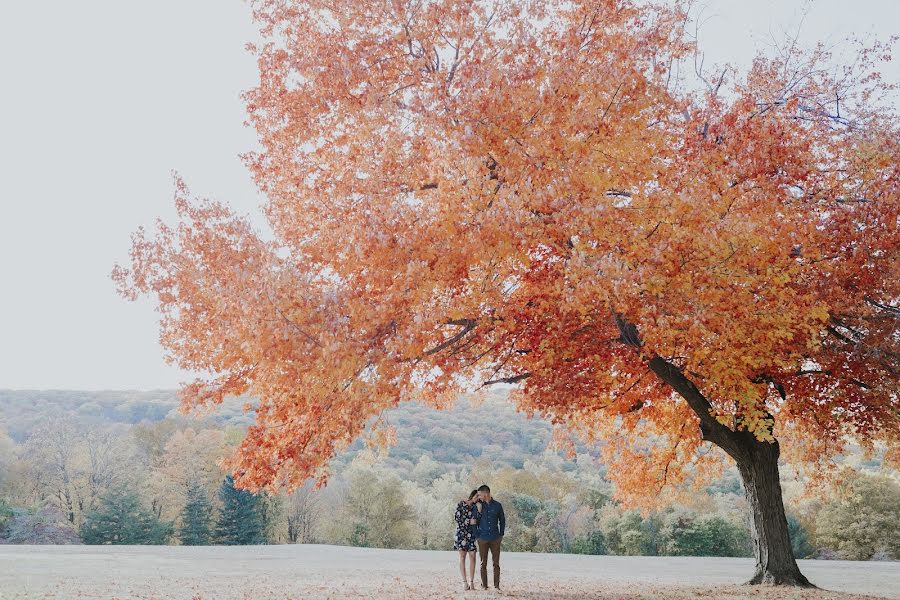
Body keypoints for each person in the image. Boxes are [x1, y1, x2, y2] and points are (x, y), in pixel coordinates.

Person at [475, 484, 505, 592]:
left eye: (480, 494)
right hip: (482, 538)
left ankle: (496, 586)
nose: (479, 496)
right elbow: (474, 520)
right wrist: (477, 535)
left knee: (496, 563)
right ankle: (484, 586)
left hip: (495, 538)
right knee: (483, 563)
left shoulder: (498, 505)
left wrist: (501, 534)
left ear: (486, 493)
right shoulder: (479, 505)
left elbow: (502, 520)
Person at [453, 489, 480, 591]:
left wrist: (476, 520)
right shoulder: (461, 503)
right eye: (476, 496)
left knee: (473, 556)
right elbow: (457, 518)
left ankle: (471, 582)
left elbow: (479, 520)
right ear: (472, 495)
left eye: (479, 497)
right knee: (462, 557)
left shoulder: (476, 507)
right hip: (461, 534)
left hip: (471, 534)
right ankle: (464, 583)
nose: (477, 498)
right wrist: (469, 521)